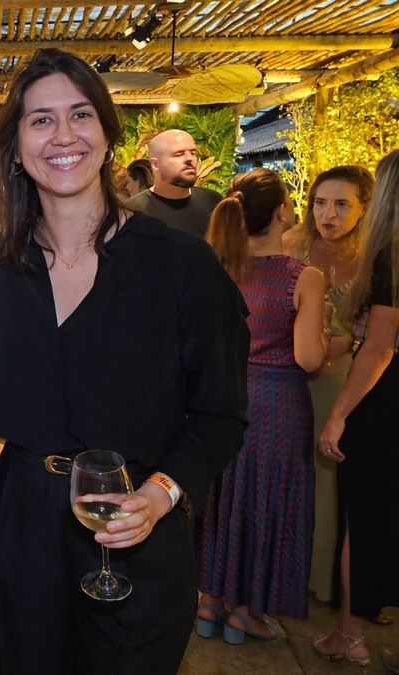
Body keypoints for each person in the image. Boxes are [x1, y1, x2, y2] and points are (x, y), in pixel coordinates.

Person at [0, 48, 249, 674]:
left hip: (137, 531)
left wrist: (161, 494)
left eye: (80, 115)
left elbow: (221, 413)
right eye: (40, 120)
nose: (63, 135)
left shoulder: (179, 265)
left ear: (107, 133)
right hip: (23, 531)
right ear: (16, 147)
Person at [194, 168, 327, 644]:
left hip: (226, 397)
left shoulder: (219, 267)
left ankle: (209, 601)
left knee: (224, 499)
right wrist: (340, 340)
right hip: (279, 405)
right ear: (279, 212)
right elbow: (309, 356)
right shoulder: (302, 276)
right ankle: (246, 611)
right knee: (267, 503)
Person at [313, 149, 399, 671]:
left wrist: (340, 411)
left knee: (363, 516)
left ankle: (350, 634)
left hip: (384, 395)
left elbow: (380, 346)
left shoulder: (389, 253)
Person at [285, 166, 374, 605]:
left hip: (335, 382)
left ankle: (318, 579)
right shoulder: (291, 245)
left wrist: (338, 344)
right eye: (320, 202)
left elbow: (370, 334)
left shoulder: (373, 260)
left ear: (364, 209)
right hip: (283, 375)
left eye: (342, 204)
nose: (329, 214)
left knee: (325, 481)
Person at [126, 129, 223, 239]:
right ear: (156, 165)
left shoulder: (214, 201)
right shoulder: (132, 211)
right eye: (179, 154)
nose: (189, 159)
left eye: (192, 153)